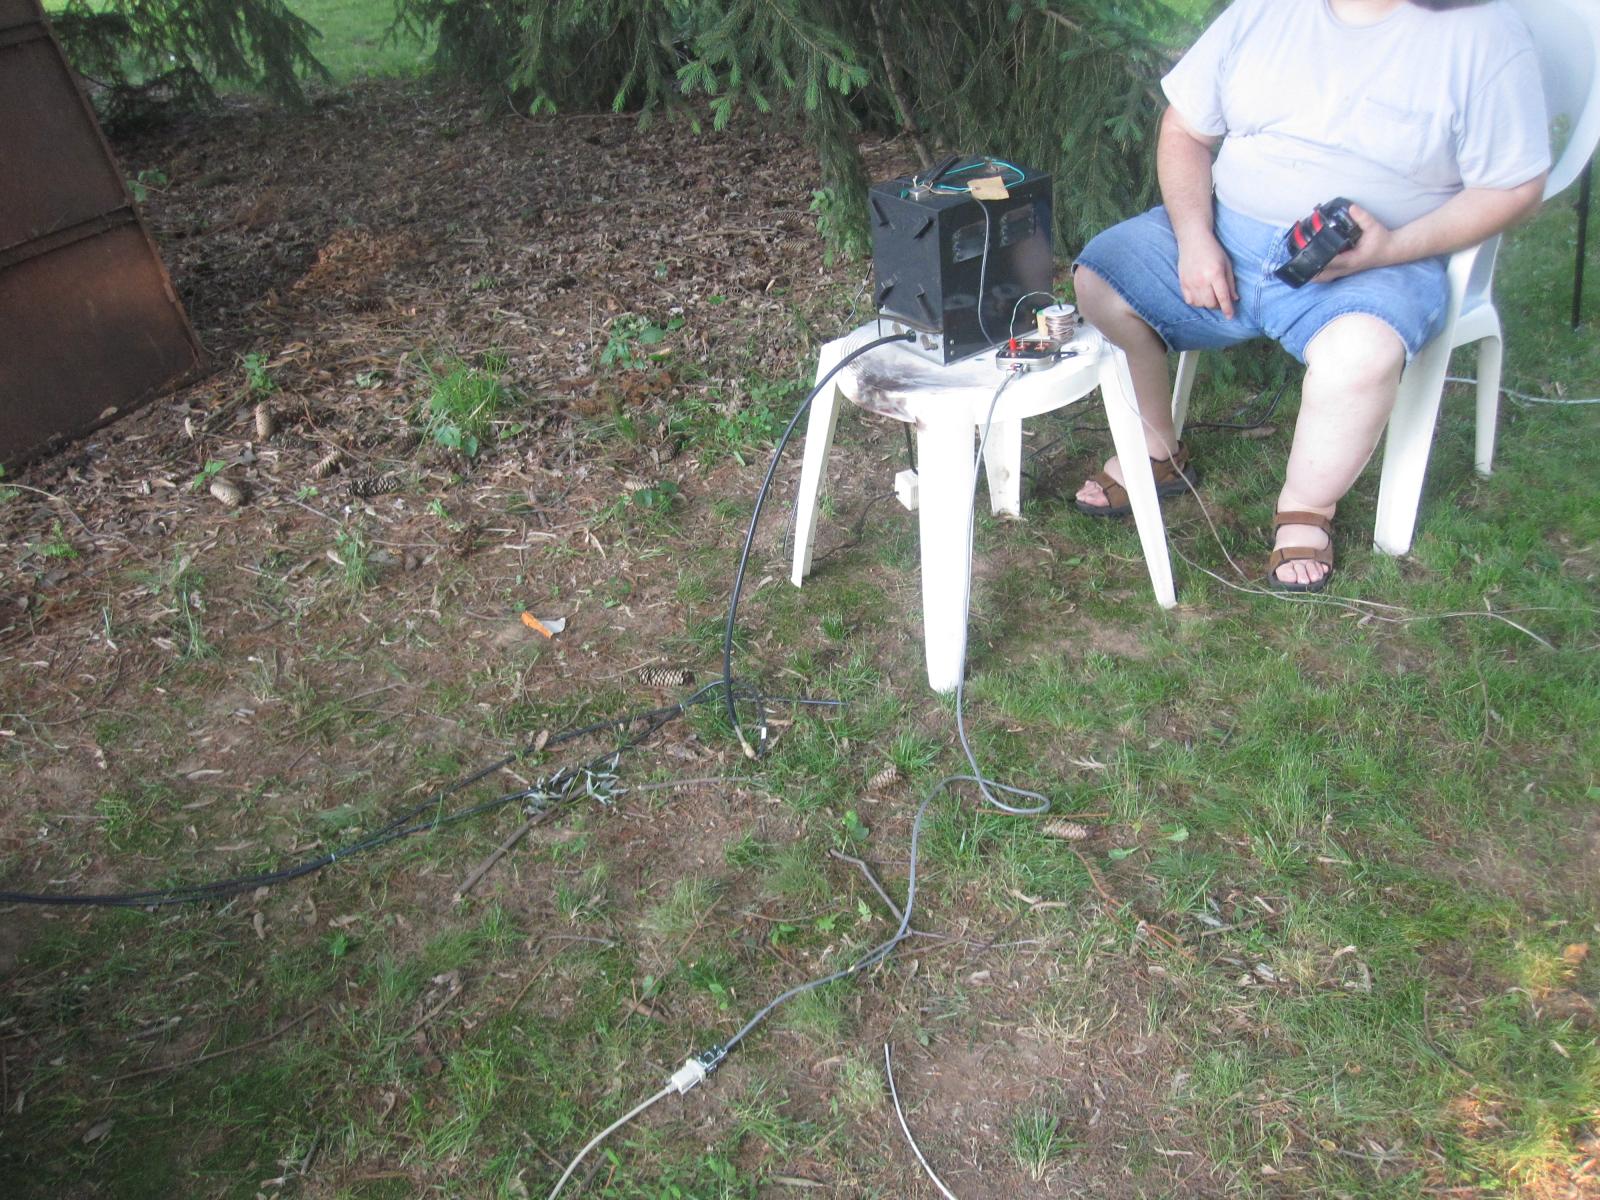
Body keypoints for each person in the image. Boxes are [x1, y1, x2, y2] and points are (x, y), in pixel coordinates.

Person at [1071, 0, 1550, 591]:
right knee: (1102, 279)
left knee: (1361, 354)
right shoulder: (1265, 9)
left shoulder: (1482, 33)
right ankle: (1155, 447)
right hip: (1224, 234)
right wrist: (1194, 238)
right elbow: (1185, 129)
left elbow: (1514, 189)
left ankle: (1306, 507)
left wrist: (1390, 249)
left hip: (1380, 261)